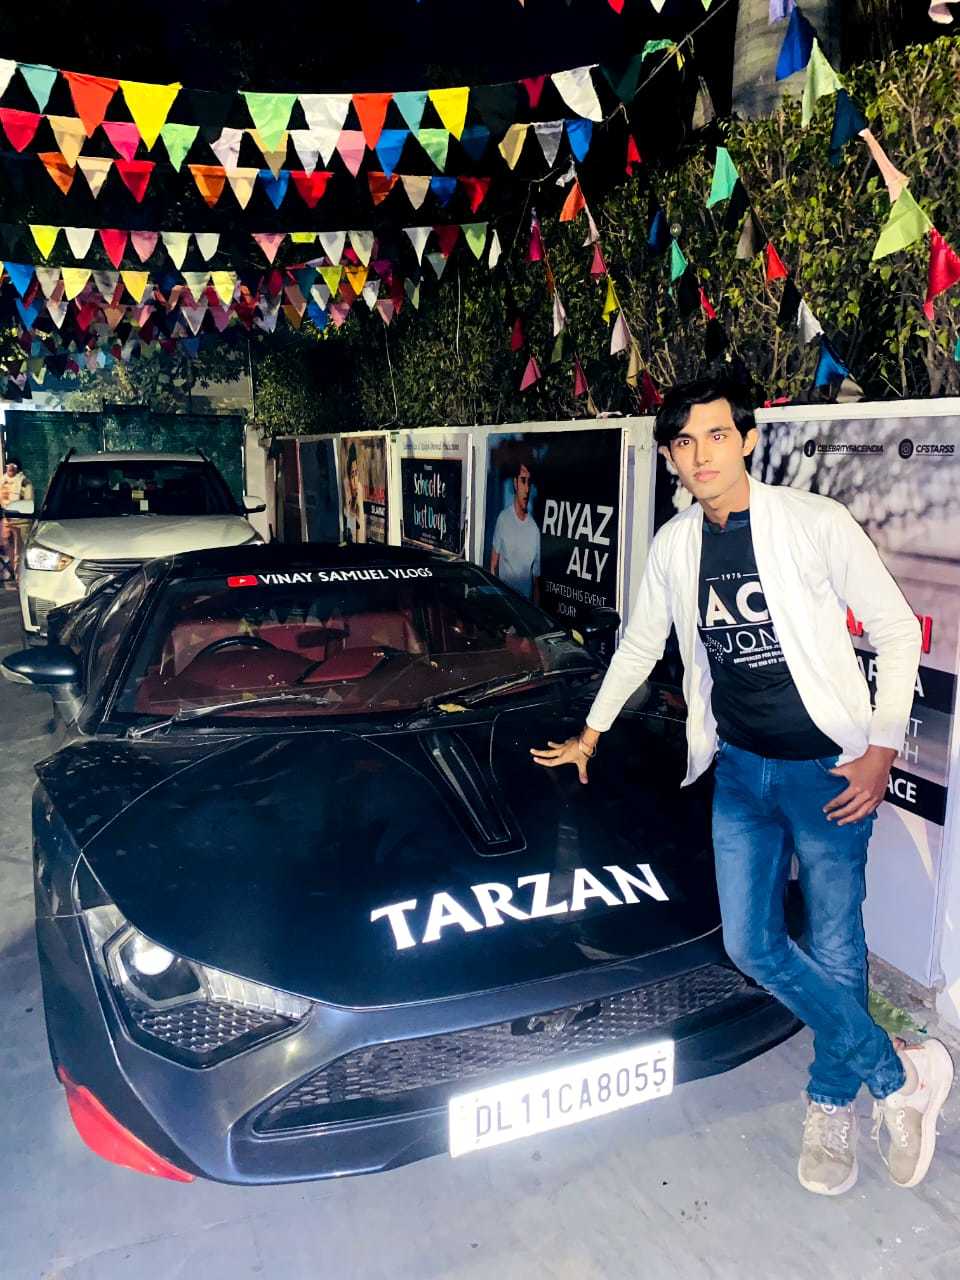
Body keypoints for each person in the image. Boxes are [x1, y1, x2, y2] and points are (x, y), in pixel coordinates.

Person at [531, 374, 953, 1196]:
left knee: (835, 946)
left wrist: (881, 749)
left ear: (749, 440)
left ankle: (830, 1101)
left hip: (827, 771)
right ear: (669, 456)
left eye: (717, 435)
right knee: (750, 945)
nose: (702, 455)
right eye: (684, 442)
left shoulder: (812, 523)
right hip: (740, 772)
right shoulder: (676, 546)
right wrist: (591, 733)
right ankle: (902, 1075)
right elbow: (641, 642)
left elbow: (898, 630)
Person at [489, 461, 541, 603]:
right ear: (515, 483)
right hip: (505, 605)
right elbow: (493, 565)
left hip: (524, 608)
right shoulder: (503, 520)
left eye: (529, 482)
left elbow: (536, 582)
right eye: (523, 481)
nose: (527, 489)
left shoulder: (534, 530)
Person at [0, 457, 33, 587]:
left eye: (13, 466)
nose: (10, 468)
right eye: (8, 465)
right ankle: (14, 571)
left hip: (21, 521)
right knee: (6, 542)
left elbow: (29, 501)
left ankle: (20, 577)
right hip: (7, 519)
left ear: (17, 468)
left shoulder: (24, 482)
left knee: (20, 550)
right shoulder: (2, 481)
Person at [343, 442, 367, 545]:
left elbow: (361, 538)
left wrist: (359, 504)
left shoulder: (359, 489)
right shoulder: (346, 488)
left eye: (356, 473)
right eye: (352, 476)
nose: (355, 480)